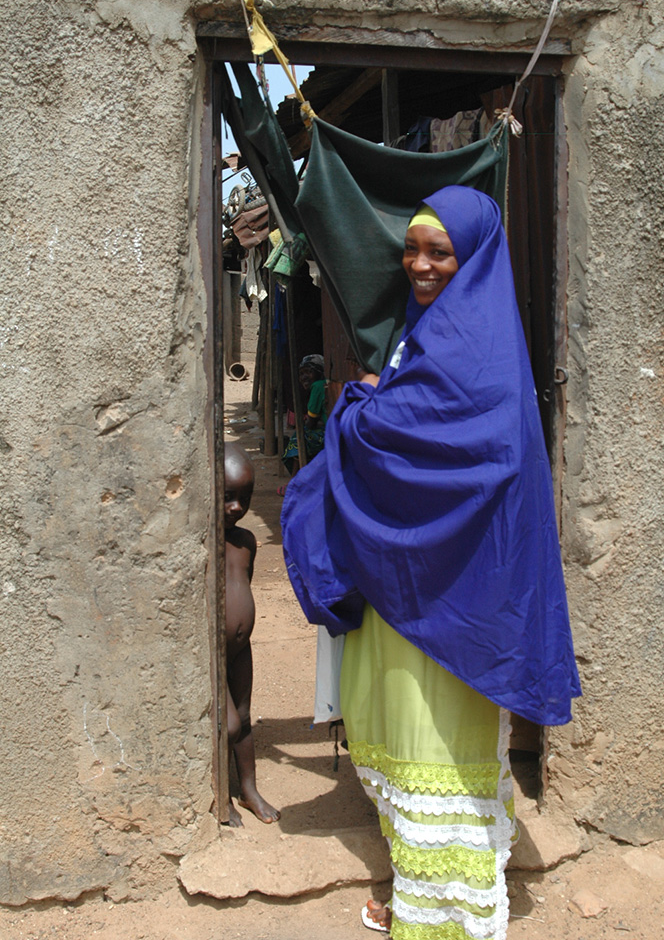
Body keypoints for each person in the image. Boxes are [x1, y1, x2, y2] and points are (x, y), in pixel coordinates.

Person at [281, 186, 581, 939]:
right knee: (410, 732)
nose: (418, 264)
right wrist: (376, 404)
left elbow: (443, 446)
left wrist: (354, 411)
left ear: (472, 255)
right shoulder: (440, 327)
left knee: (436, 743)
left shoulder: (472, 345)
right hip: (419, 577)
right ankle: (423, 889)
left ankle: (442, 915)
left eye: (437, 251)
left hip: (456, 590)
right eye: (411, 248)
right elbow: (419, 426)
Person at [224, 444, 280, 827]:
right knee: (225, 723)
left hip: (241, 651)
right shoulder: (201, 540)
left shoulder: (246, 542)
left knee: (243, 717)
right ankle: (217, 795)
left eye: (245, 497)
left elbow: (245, 585)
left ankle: (248, 789)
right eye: (228, 497)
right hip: (213, 652)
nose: (237, 507)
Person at [279, 354, 327, 492]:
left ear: (319, 373)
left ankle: (294, 482)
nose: (304, 377)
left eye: (309, 372)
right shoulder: (323, 385)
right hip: (331, 430)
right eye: (302, 373)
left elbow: (311, 423)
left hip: (330, 434)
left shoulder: (318, 387)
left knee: (299, 437)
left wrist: (307, 423)